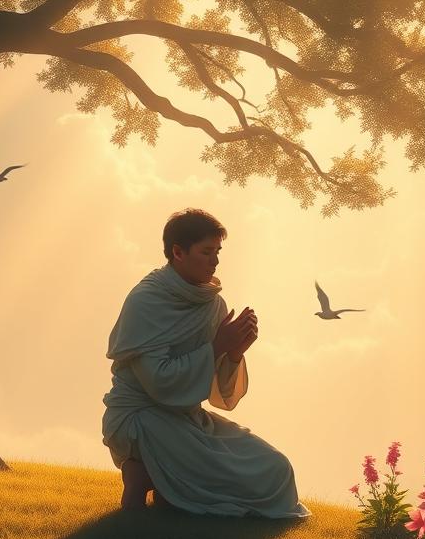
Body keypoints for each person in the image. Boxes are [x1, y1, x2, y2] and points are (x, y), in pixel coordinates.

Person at [101, 208, 311, 518]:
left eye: (218, 252)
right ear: (178, 252)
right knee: (210, 474)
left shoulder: (212, 303)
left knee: (276, 469)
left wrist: (235, 352)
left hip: (189, 419)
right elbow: (159, 382)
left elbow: (219, 392)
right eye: (206, 252)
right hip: (142, 417)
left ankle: (170, 488)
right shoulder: (145, 301)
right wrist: (217, 346)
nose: (214, 261)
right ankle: (143, 475)